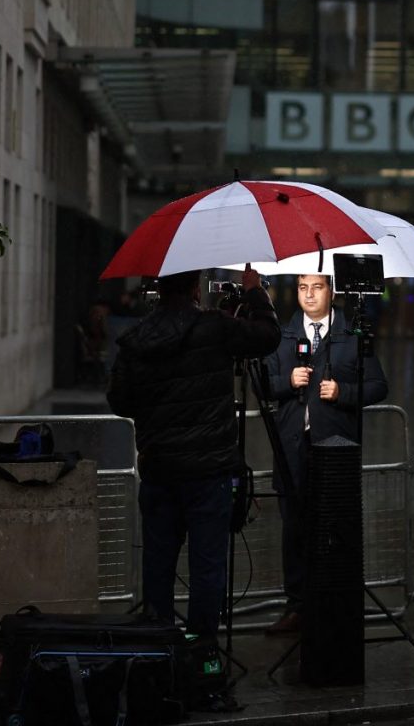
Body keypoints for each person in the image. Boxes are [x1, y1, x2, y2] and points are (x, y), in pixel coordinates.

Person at [106, 265, 280, 653]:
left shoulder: (135, 338)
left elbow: (119, 400)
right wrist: (254, 293)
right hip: (208, 472)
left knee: (158, 567)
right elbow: (268, 337)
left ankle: (157, 652)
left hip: (159, 470)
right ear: (195, 289)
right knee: (207, 568)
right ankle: (201, 656)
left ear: (158, 290)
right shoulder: (214, 327)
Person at [263, 273, 389, 634]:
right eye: (303, 288)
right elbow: (263, 384)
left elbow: (379, 385)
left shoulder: (352, 337)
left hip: (335, 451)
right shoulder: (282, 336)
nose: (309, 295)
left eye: (316, 287)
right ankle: (297, 606)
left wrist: (344, 392)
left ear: (331, 292)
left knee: (334, 527)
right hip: (292, 450)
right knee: (294, 530)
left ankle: (332, 603)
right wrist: (287, 383)